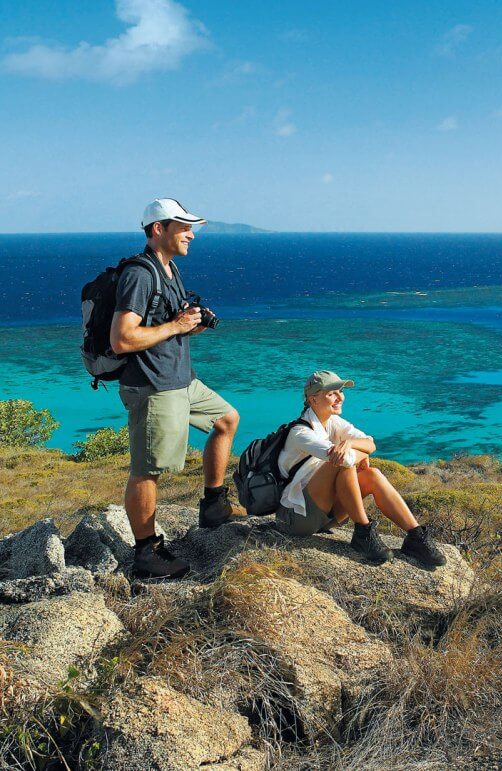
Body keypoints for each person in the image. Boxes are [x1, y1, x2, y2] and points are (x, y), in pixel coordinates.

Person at [112, 198, 240, 579]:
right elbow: (122, 339)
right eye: (184, 228)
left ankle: (213, 504)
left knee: (226, 419)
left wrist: (192, 324)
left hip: (180, 379)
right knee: (147, 470)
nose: (191, 235)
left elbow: (167, 324)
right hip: (154, 386)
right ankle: (147, 554)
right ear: (158, 230)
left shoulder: (169, 270)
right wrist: (177, 326)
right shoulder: (140, 274)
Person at [276, 370, 446, 568]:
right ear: (313, 400)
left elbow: (370, 443)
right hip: (296, 517)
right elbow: (345, 459)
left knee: (373, 475)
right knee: (341, 463)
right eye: (331, 393)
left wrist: (349, 442)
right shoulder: (300, 432)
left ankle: (415, 536)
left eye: (340, 391)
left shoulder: (333, 422)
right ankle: (363, 532)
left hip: (325, 516)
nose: (340, 397)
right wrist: (361, 453)